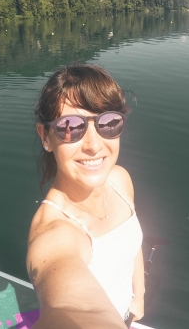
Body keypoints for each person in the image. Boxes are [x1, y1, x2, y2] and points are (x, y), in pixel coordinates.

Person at [27, 65, 144, 328]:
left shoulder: (119, 179)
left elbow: (132, 245)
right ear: (45, 136)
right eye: (70, 127)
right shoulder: (55, 231)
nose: (94, 145)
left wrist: (139, 299)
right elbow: (76, 309)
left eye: (109, 123)